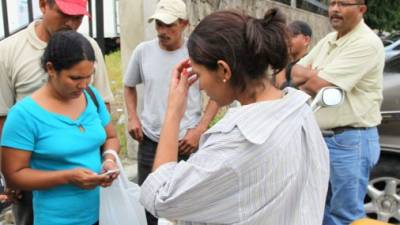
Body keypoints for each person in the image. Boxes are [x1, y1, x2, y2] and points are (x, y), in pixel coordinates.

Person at [139, 8, 329, 225]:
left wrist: (173, 112)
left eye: (199, 75)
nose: (199, 86)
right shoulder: (298, 109)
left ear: (224, 71)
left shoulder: (237, 142)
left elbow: (159, 197)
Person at [0, 0, 114, 224]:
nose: (71, 23)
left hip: (95, 203)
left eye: (79, 17)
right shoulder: (9, 52)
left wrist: (108, 159)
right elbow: (4, 122)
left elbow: (105, 128)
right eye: (74, 78)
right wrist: (11, 180)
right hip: (41, 200)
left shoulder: (89, 76)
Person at [123, 1, 219, 224]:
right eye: (158, 24)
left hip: (186, 142)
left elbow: (218, 93)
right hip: (150, 140)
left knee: (186, 206)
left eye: (169, 26)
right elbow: (129, 86)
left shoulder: (197, 54)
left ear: (184, 24)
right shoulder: (143, 51)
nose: (162, 32)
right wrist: (133, 117)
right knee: (149, 202)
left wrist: (200, 128)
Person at [289, 0, 384, 224]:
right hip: (322, 138)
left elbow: (318, 86)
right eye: (332, 3)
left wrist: (312, 76)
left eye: (343, 3)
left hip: (350, 141)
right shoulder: (330, 39)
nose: (335, 9)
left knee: (345, 216)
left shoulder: (366, 43)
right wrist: (311, 76)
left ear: (361, 9)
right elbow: (294, 72)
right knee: (318, 210)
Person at [276, 20, 312, 89]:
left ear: (306, 40)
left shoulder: (308, 66)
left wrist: (281, 82)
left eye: (293, 36)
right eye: (286, 36)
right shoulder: (287, 63)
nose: (287, 40)